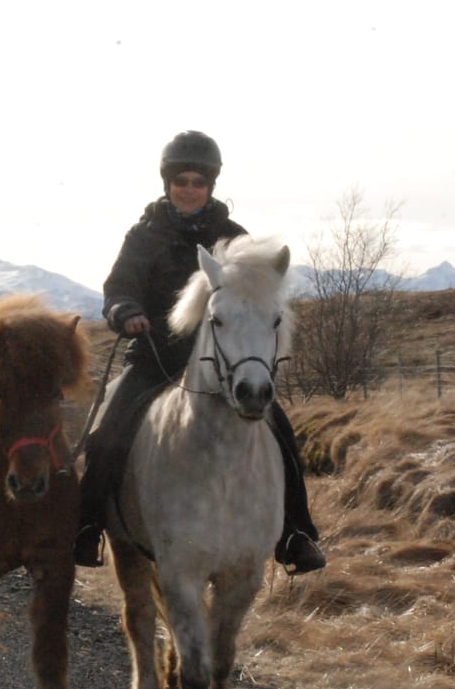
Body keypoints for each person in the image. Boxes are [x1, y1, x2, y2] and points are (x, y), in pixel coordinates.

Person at [73, 130, 327, 574]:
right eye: (181, 180)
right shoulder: (144, 236)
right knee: (107, 433)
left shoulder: (233, 237)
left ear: (211, 185)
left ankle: (295, 532)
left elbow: (258, 295)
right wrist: (126, 310)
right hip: (154, 359)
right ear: (167, 182)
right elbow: (118, 287)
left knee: (281, 432)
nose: (189, 188)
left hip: (224, 366)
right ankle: (89, 526)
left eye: (198, 181)